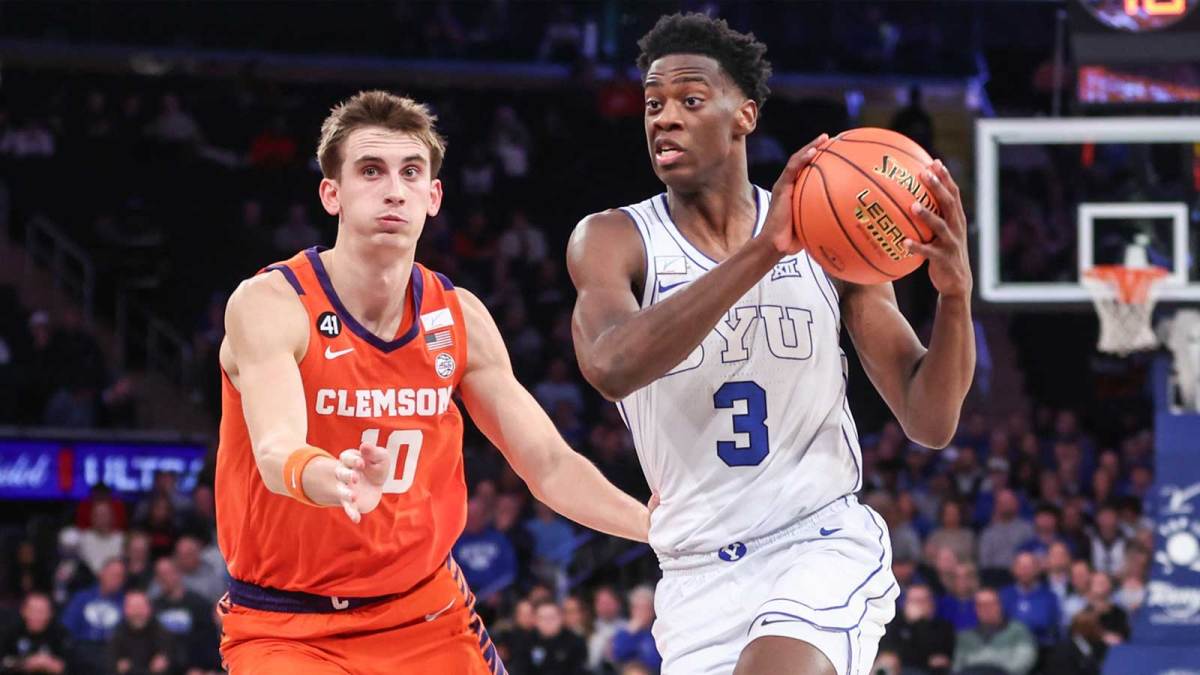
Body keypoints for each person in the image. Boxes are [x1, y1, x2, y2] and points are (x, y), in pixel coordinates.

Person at [567, 13, 974, 675]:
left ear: (744, 116)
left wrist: (955, 299)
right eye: (653, 104)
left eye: (690, 100)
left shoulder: (830, 238)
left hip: (816, 542)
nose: (665, 118)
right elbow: (611, 366)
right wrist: (765, 251)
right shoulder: (613, 239)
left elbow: (929, 419)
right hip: (696, 575)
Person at [215, 90, 650, 674]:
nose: (394, 189)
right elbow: (276, 451)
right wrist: (338, 479)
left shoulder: (458, 315)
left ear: (433, 196)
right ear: (331, 194)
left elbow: (548, 465)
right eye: (371, 171)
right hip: (288, 625)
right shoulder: (272, 303)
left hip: (424, 610)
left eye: (411, 172)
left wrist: (654, 528)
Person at [951, 588, 1037, 675]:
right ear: (975, 609)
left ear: (999, 606)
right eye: (980, 605)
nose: (986, 609)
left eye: (990, 604)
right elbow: (957, 668)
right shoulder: (965, 636)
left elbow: (1024, 662)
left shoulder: (1019, 631)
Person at [0, 592, 72, 674]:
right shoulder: (10, 632)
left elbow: (69, 666)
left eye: (41, 611)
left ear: (51, 613)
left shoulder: (60, 635)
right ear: (23, 611)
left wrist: (50, 664)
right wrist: (26, 663)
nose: (36, 615)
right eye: (32, 610)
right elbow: (4, 662)